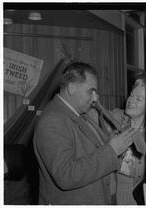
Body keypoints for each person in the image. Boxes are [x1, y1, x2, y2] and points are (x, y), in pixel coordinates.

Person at [33, 62, 136, 205]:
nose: (95, 98)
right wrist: (111, 150)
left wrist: (113, 146)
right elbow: (66, 175)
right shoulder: (52, 120)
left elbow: (88, 154)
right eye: (90, 91)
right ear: (71, 88)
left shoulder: (78, 115)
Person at [103, 78, 146, 205]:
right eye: (131, 95)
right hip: (109, 192)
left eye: (138, 99)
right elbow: (94, 115)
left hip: (134, 196)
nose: (131, 100)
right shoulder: (114, 118)